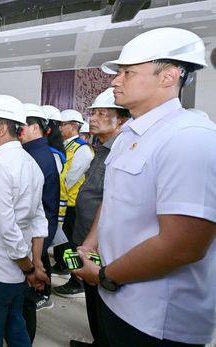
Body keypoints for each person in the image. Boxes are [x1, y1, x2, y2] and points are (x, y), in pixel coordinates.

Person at [74, 27, 216, 346]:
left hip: (154, 319)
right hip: (115, 297)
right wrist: (90, 245)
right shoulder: (129, 136)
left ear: (168, 76)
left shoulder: (190, 137)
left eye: (128, 72)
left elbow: (184, 245)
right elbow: (112, 199)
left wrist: (107, 275)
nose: (114, 81)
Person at [0, 95, 48, 347]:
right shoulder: (30, 163)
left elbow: (8, 229)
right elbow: (38, 219)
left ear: (2, 128)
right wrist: (34, 262)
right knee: (15, 325)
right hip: (14, 272)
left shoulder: (0, 167)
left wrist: (29, 268)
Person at [67, 88, 130, 347]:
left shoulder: (123, 151)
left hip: (103, 243)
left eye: (102, 114)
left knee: (105, 300)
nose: (93, 118)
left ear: (122, 120)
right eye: (92, 113)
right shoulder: (101, 149)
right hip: (87, 236)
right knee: (93, 296)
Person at [18, 103, 60, 342]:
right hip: (36, 232)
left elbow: (35, 211)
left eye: (20, 126)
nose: (17, 130)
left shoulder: (38, 157)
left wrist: (34, 256)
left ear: (34, 127)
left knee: (25, 300)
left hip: (35, 234)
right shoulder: (35, 152)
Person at [52, 109, 94, 297]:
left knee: (71, 242)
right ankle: (63, 265)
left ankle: (76, 279)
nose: (60, 128)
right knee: (62, 240)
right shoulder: (65, 146)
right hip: (63, 201)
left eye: (63, 124)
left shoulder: (82, 149)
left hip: (73, 204)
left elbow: (69, 178)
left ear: (73, 126)